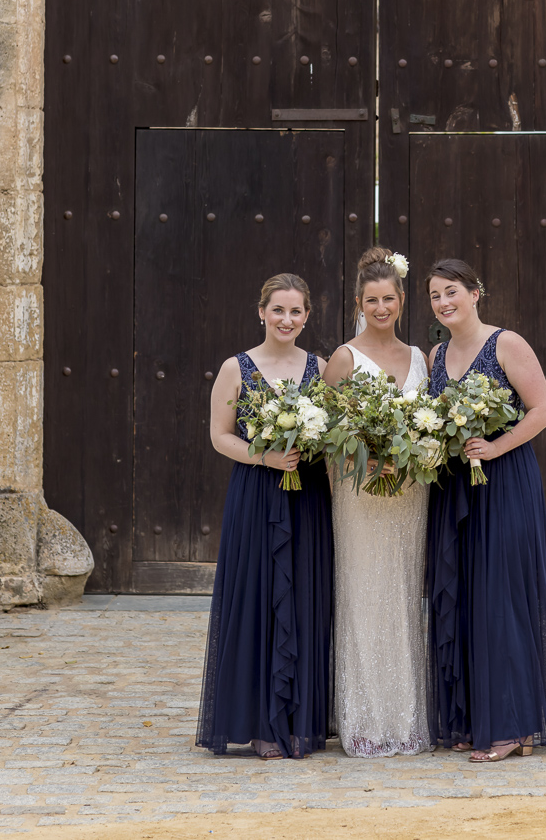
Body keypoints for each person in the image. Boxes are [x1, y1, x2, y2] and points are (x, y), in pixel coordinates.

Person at [426, 258, 546, 761]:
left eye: (452, 292)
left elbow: (544, 411)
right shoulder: (435, 354)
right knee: (464, 599)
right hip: (455, 489)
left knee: (501, 598)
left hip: (503, 481)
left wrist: (496, 447)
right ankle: (472, 717)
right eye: (435, 296)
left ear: (475, 292)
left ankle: (512, 725)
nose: (444, 303)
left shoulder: (506, 343)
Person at [196, 273, 332, 759]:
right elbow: (219, 435)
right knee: (257, 600)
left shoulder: (320, 366)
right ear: (261, 312)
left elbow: (337, 431)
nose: (287, 319)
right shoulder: (237, 367)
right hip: (256, 494)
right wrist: (264, 456)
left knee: (302, 599)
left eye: (296, 311)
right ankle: (258, 723)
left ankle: (298, 721)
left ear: (307, 316)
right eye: (278, 310)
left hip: (307, 496)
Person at [323, 247, 431, 757]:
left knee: (405, 594)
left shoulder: (420, 359)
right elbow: (326, 432)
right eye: (372, 300)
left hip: (410, 494)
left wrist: (411, 460)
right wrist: (365, 460)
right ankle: (364, 718)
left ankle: (405, 719)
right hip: (361, 496)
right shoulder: (345, 357)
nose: (381, 307)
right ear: (359, 303)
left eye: (389, 298)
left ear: (402, 299)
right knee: (366, 595)